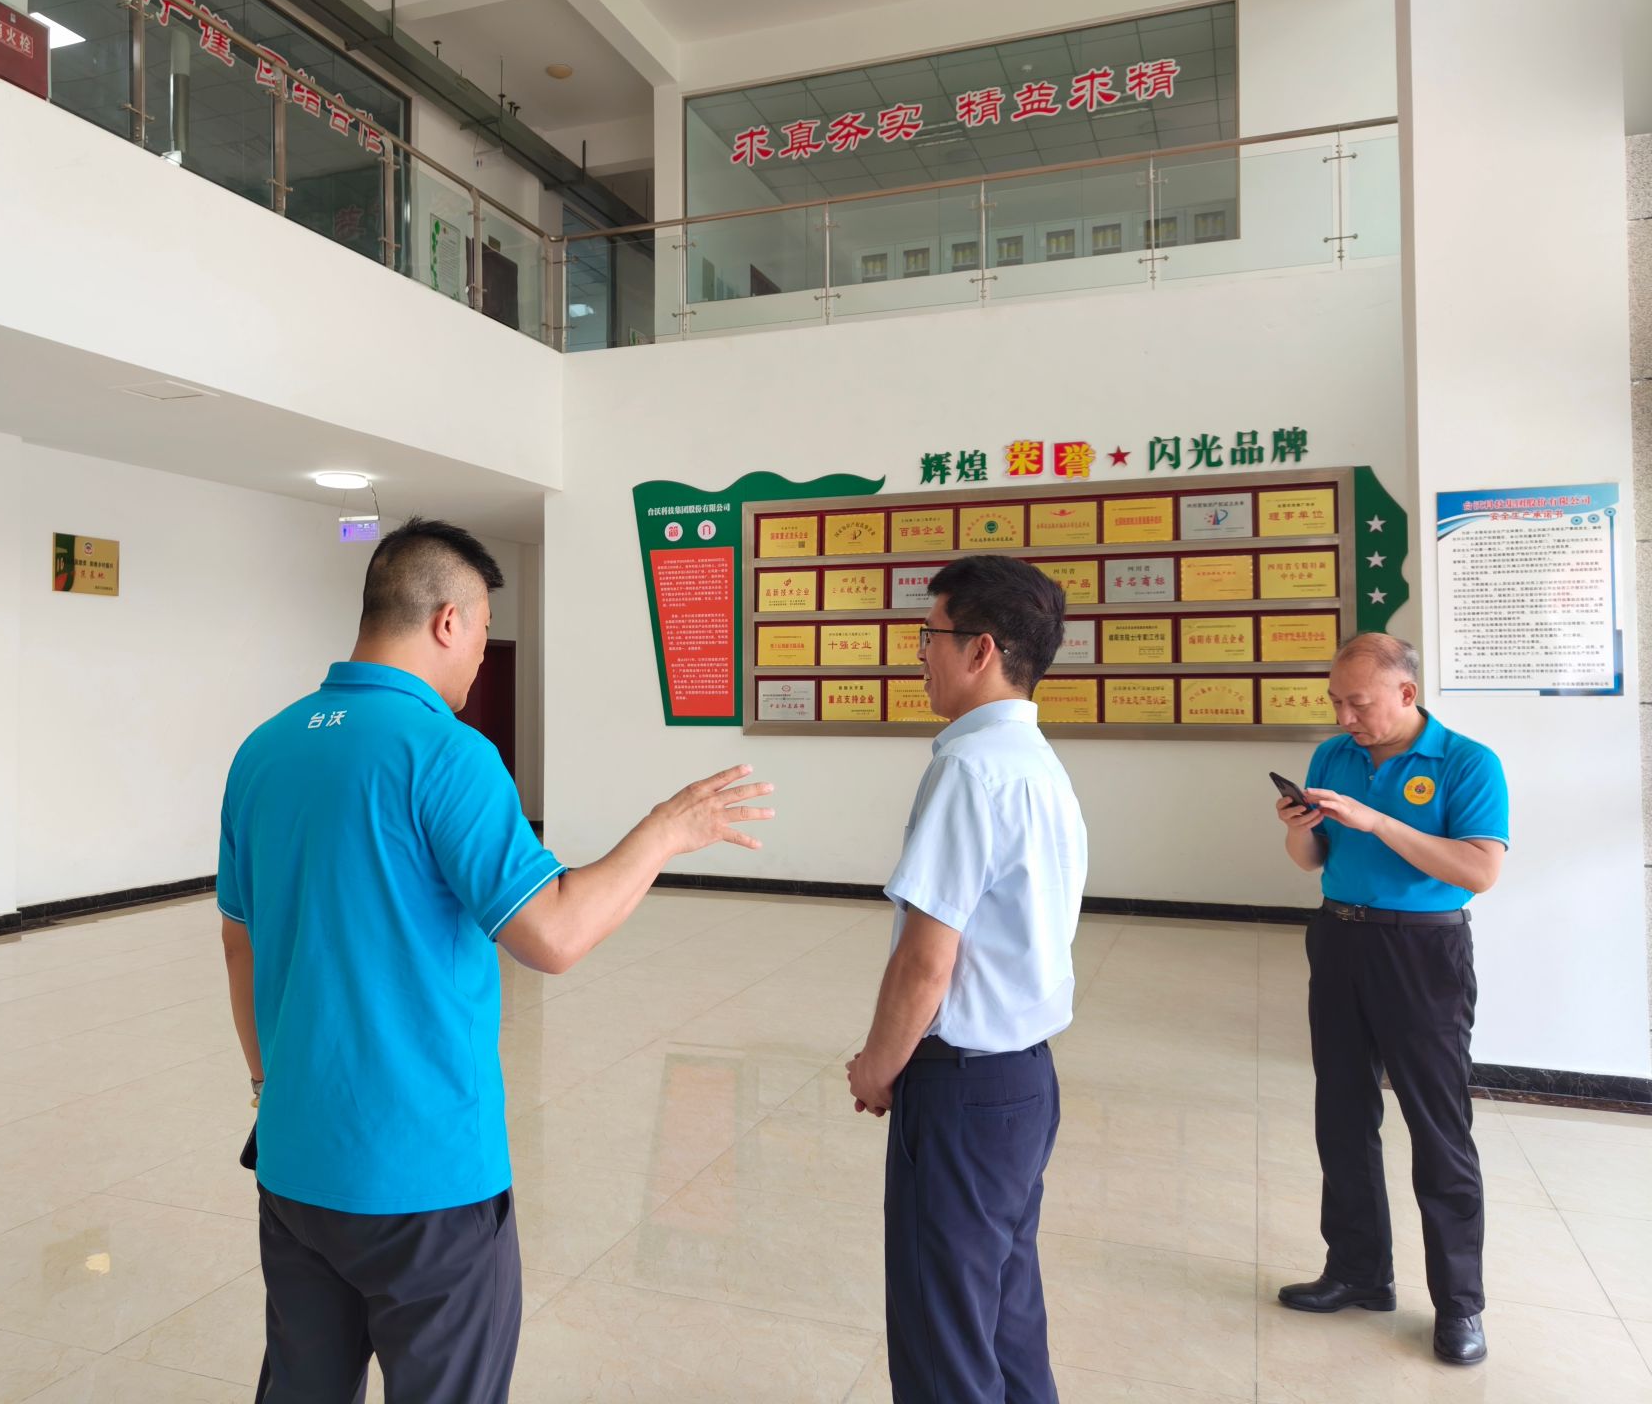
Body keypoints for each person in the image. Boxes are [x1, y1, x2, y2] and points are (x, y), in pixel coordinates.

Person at [217, 517, 774, 1404]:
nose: (482, 654)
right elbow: (552, 934)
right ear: (448, 620)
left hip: (295, 1159)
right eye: (482, 629)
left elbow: (238, 939)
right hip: (424, 1175)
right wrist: (667, 830)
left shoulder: (264, 749)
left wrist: (265, 1083)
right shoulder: (448, 752)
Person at [846, 555, 1087, 1404]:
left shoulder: (969, 770)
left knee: (943, 1338)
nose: (920, 654)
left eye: (930, 635)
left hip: (960, 1090)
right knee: (1005, 1315)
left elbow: (926, 958)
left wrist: (877, 1067)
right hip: (1025, 1082)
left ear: (980, 649)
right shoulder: (1039, 765)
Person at [1273, 632, 1508, 1366]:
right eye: (1335, 702)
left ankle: (1460, 1305)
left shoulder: (1467, 762)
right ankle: (1357, 1271)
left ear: (1406, 694)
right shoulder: (1332, 756)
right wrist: (1299, 831)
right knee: (1342, 1113)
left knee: (1438, 1129)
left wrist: (1377, 821)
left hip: (1423, 952)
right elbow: (1313, 861)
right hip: (1339, 937)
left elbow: (1480, 870)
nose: (1344, 718)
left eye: (1358, 703)